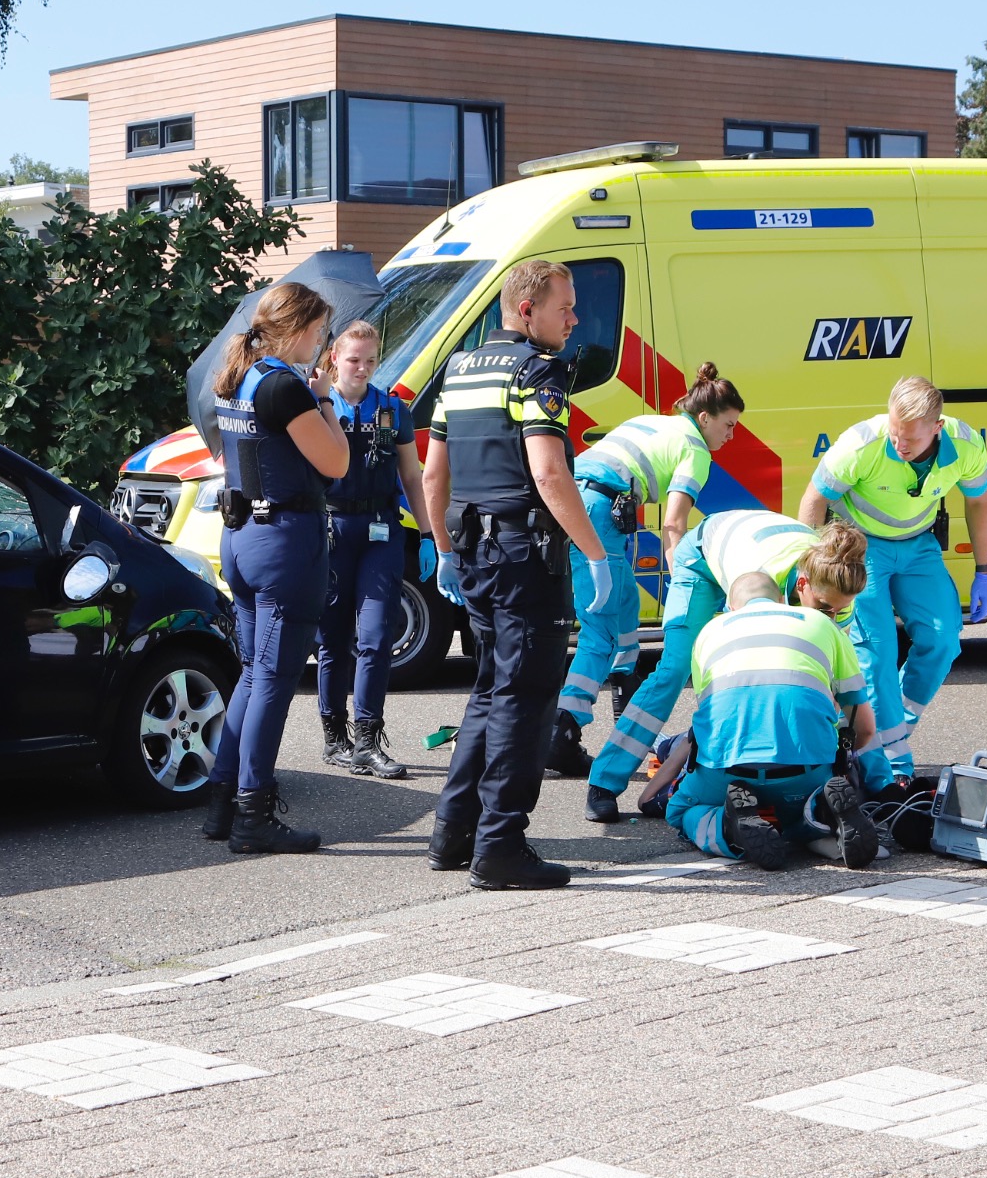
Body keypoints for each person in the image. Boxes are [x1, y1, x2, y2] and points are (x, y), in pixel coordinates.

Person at [421, 259, 615, 890]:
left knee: (488, 689)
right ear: (527, 309)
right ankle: (501, 844)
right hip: (524, 555)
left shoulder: (460, 367)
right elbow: (550, 474)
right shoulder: (539, 370)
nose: (575, 318)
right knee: (526, 700)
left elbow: (433, 474)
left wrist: (445, 546)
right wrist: (595, 554)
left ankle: (453, 832)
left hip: (475, 552)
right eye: (566, 306)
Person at [197, 283, 350, 855]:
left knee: (252, 675)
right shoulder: (286, 386)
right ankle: (254, 812)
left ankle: (222, 801)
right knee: (273, 680)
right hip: (284, 542)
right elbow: (335, 463)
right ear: (303, 329)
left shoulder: (238, 374)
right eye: (321, 332)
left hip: (241, 537)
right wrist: (327, 401)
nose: (323, 343)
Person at [588, 512, 868, 818]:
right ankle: (604, 782)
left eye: (838, 612)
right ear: (802, 584)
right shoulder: (760, 575)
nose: (831, 617)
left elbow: (836, 681)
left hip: (752, 544)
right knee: (675, 670)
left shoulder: (836, 586)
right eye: (825, 608)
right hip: (703, 558)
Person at [549, 367, 749, 793]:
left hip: (579, 502)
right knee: (601, 632)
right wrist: (683, 582)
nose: (731, 436)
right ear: (706, 418)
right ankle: (561, 734)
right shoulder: (696, 449)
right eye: (728, 425)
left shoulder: (658, 421)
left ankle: (626, 721)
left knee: (623, 623)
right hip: (598, 513)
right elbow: (674, 523)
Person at [798, 376, 987, 788]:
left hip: (917, 544)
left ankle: (884, 732)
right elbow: (812, 502)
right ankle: (892, 769)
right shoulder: (862, 445)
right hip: (861, 545)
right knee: (877, 654)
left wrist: (984, 571)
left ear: (937, 428)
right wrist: (814, 576)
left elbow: (979, 501)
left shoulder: (967, 445)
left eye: (910, 439)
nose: (899, 445)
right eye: (894, 432)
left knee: (944, 641)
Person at [662, 571, 880, 870]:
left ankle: (727, 828)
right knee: (802, 800)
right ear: (781, 599)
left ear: (730, 607)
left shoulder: (709, 632)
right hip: (806, 768)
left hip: (728, 768)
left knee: (680, 810)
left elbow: (715, 719)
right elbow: (864, 727)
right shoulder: (822, 624)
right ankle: (820, 814)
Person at [315, 320, 439, 780]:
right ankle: (334, 738)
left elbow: (412, 476)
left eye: (370, 360)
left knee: (376, 638)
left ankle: (367, 740)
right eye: (353, 360)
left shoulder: (391, 409)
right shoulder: (315, 406)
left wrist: (428, 536)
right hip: (332, 529)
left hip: (381, 529)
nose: (363, 368)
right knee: (332, 640)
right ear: (334, 359)